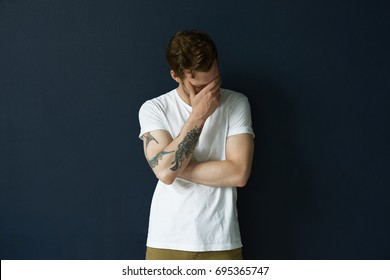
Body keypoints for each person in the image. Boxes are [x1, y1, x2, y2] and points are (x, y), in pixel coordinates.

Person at [138, 30, 254, 260]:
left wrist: (172, 168)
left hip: (221, 239)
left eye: (214, 81)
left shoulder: (236, 103)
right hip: (167, 239)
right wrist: (198, 116)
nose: (211, 92)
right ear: (176, 76)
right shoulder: (154, 108)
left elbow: (239, 173)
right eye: (200, 87)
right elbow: (165, 172)